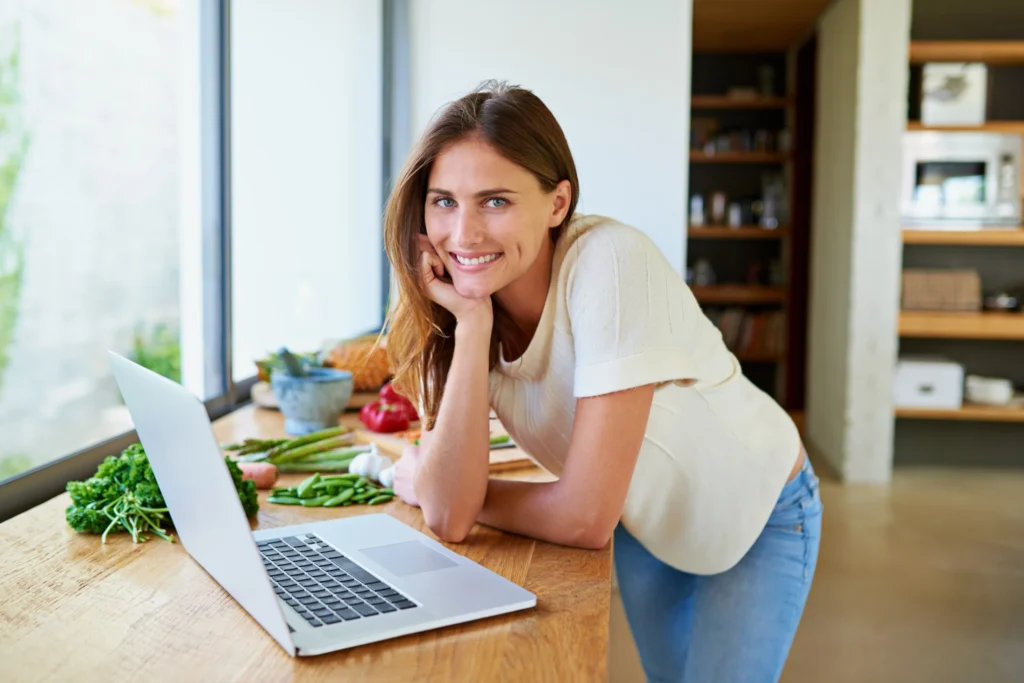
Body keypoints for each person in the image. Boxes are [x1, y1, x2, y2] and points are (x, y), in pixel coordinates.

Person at [381, 81, 822, 683]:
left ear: (557, 203)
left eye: (495, 201)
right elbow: (451, 518)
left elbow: (584, 516)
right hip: (643, 514)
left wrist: (447, 490)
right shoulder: (466, 310)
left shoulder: (609, 263)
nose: (463, 235)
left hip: (758, 504)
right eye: (444, 202)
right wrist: (474, 322)